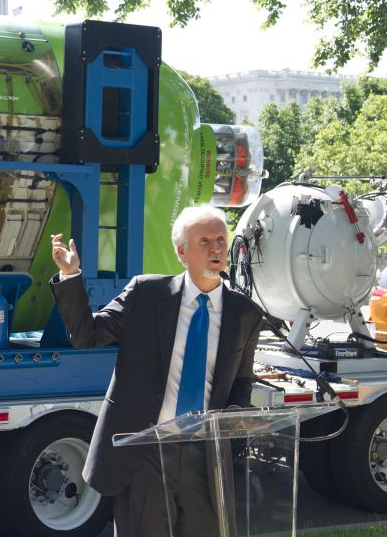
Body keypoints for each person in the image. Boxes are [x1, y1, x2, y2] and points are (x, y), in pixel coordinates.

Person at [50, 205, 262, 537]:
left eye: (221, 239)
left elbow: (242, 380)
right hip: (145, 451)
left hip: (205, 458)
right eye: (205, 241)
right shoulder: (146, 294)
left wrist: (236, 420)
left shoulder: (244, 313)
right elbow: (87, 335)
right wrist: (71, 276)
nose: (217, 248)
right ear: (182, 252)